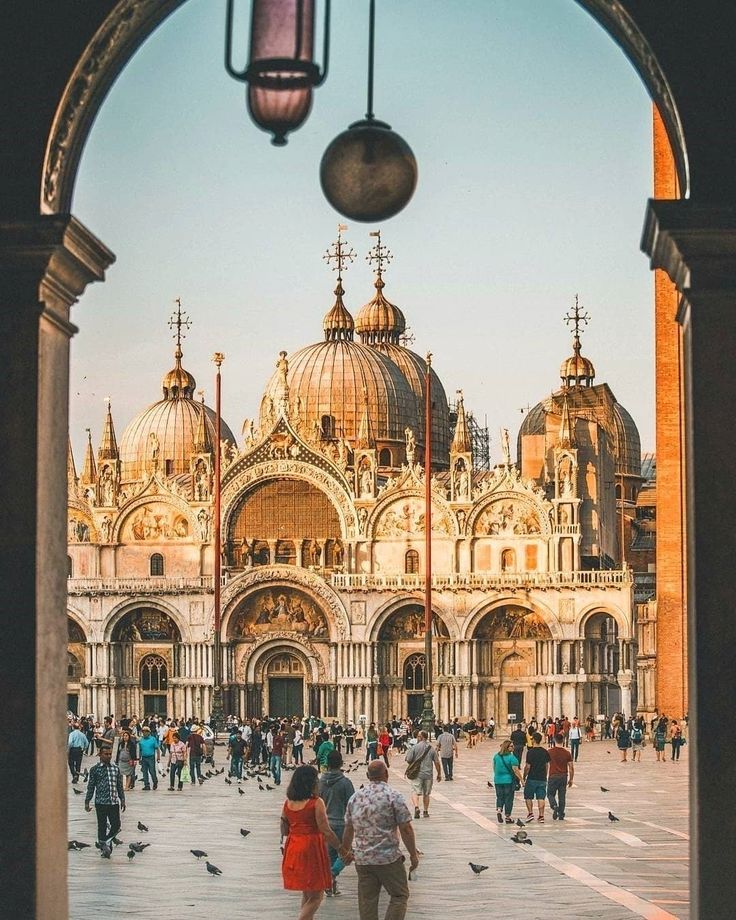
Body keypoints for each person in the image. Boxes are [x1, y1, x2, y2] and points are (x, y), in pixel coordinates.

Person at [342, 760, 419, 920]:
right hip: (388, 858)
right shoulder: (393, 796)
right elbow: (405, 828)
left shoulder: (355, 798)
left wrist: (346, 851)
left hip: (363, 859)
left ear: (367, 776)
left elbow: (348, 828)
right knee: (399, 895)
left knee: (367, 902)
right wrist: (413, 854)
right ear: (386, 774)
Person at [281, 765, 348, 920]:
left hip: (293, 846)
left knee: (307, 892)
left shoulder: (288, 803)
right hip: (311, 848)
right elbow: (326, 831)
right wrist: (341, 849)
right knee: (317, 895)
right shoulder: (316, 803)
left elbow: (284, 829)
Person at [319, 750, 355, 896]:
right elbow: (352, 804)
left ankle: (330, 885)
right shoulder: (345, 783)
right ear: (341, 763)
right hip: (342, 824)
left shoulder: (320, 782)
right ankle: (332, 875)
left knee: (331, 856)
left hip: (325, 824)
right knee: (347, 854)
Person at [85, 745, 126, 852]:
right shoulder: (95, 769)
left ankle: (105, 842)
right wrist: (87, 801)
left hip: (113, 802)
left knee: (116, 825)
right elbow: (91, 786)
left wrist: (122, 799)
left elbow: (119, 786)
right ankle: (105, 849)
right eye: (106, 754)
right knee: (102, 826)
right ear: (100, 755)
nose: (108, 756)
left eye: (110, 754)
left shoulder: (115, 769)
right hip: (101, 803)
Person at [404, 730, 441, 818]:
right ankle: (425, 811)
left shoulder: (415, 747)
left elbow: (408, 759)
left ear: (421, 737)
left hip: (417, 774)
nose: (417, 738)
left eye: (418, 737)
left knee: (415, 791)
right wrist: (439, 773)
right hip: (428, 775)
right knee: (426, 794)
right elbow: (437, 762)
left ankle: (416, 807)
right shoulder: (431, 748)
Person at [492, 739, 523, 824]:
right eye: (512, 746)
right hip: (508, 781)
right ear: (507, 747)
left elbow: (494, 768)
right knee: (509, 798)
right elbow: (516, 771)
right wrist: (522, 781)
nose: (513, 748)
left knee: (499, 796)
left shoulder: (496, 756)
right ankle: (507, 817)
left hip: (497, 780)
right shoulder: (512, 758)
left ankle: (499, 810)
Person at [523, 731, 550, 823]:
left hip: (531, 777)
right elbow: (547, 765)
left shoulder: (530, 752)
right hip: (542, 778)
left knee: (528, 796)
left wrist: (524, 776)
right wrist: (545, 775)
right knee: (541, 797)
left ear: (533, 740)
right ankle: (541, 816)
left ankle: (530, 813)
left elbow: (527, 766)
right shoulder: (545, 752)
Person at [547, 733, 574, 821]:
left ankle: (554, 806)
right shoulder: (567, 753)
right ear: (563, 741)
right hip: (563, 776)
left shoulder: (550, 752)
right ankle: (561, 814)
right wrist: (571, 779)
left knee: (550, 794)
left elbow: (546, 765)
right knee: (562, 796)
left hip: (553, 775)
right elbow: (571, 767)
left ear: (554, 740)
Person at [138, 724, 160, 790]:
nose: (144, 733)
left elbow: (157, 748)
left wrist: (158, 757)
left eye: (145, 731)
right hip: (144, 757)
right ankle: (146, 785)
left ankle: (155, 782)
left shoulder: (153, 739)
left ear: (148, 732)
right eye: (143, 731)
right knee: (144, 772)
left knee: (152, 771)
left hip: (151, 757)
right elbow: (140, 750)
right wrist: (139, 758)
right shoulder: (141, 740)